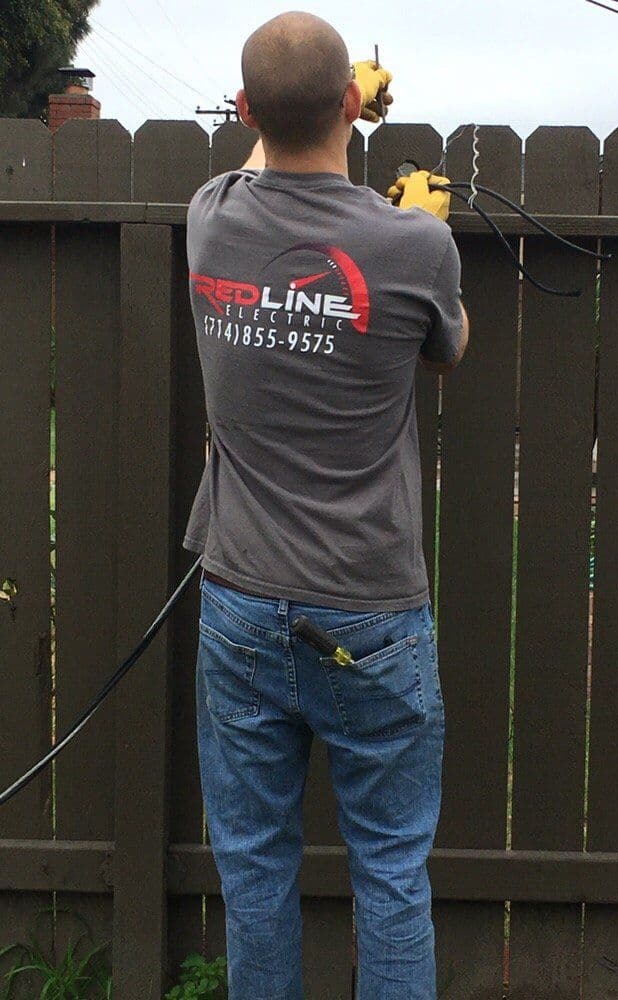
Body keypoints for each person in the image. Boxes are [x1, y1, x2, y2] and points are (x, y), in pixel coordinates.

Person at [183, 11, 469, 999]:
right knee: (390, 869)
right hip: (372, 609)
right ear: (354, 103)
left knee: (254, 870)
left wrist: (328, 110)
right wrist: (420, 220)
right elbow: (449, 347)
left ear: (243, 109)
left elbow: (276, 150)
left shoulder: (208, 217)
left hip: (242, 603)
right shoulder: (413, 248)